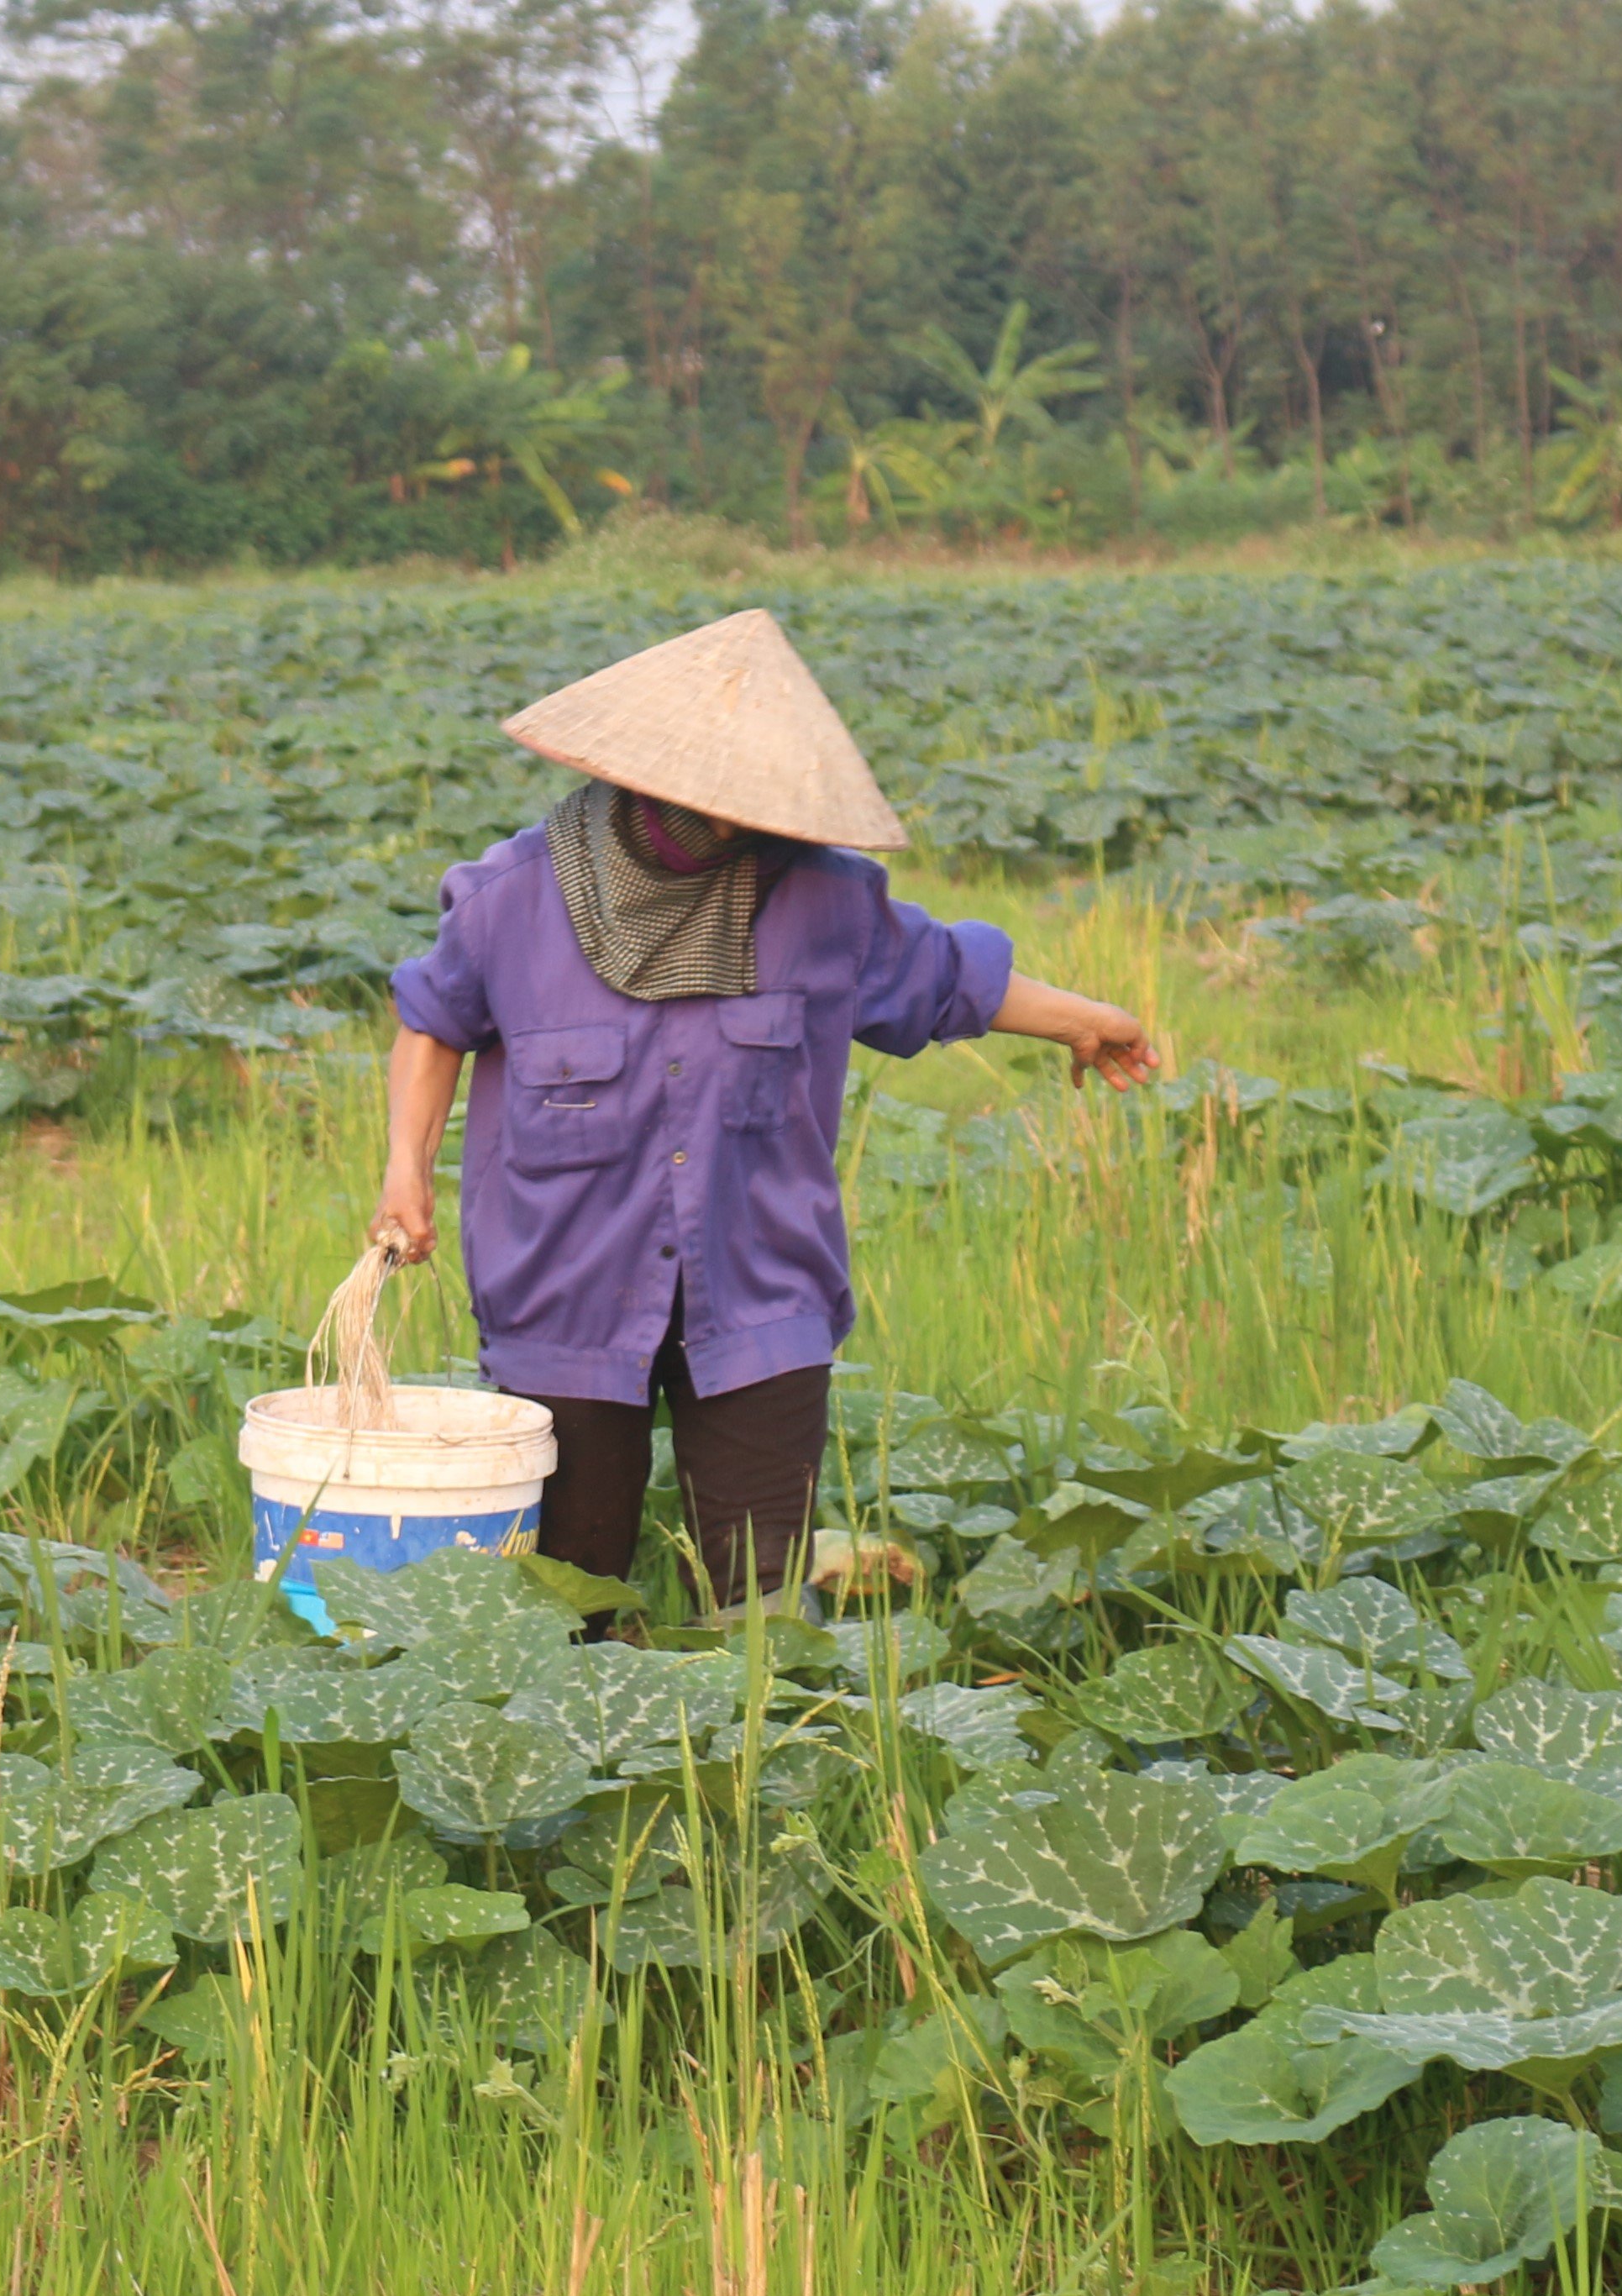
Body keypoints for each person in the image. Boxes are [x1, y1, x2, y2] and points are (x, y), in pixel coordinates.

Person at [375, 609, 1155, 1619]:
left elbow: (944, 975)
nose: (740, 827)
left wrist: (1085, 1020)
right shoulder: (513, 899)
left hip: (758, 1296)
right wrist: (406, 1169)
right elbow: (432, 1025)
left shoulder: (825, 900)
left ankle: (749, 1763)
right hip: (562, 1295)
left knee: (760, 1611)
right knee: (569, 1599)